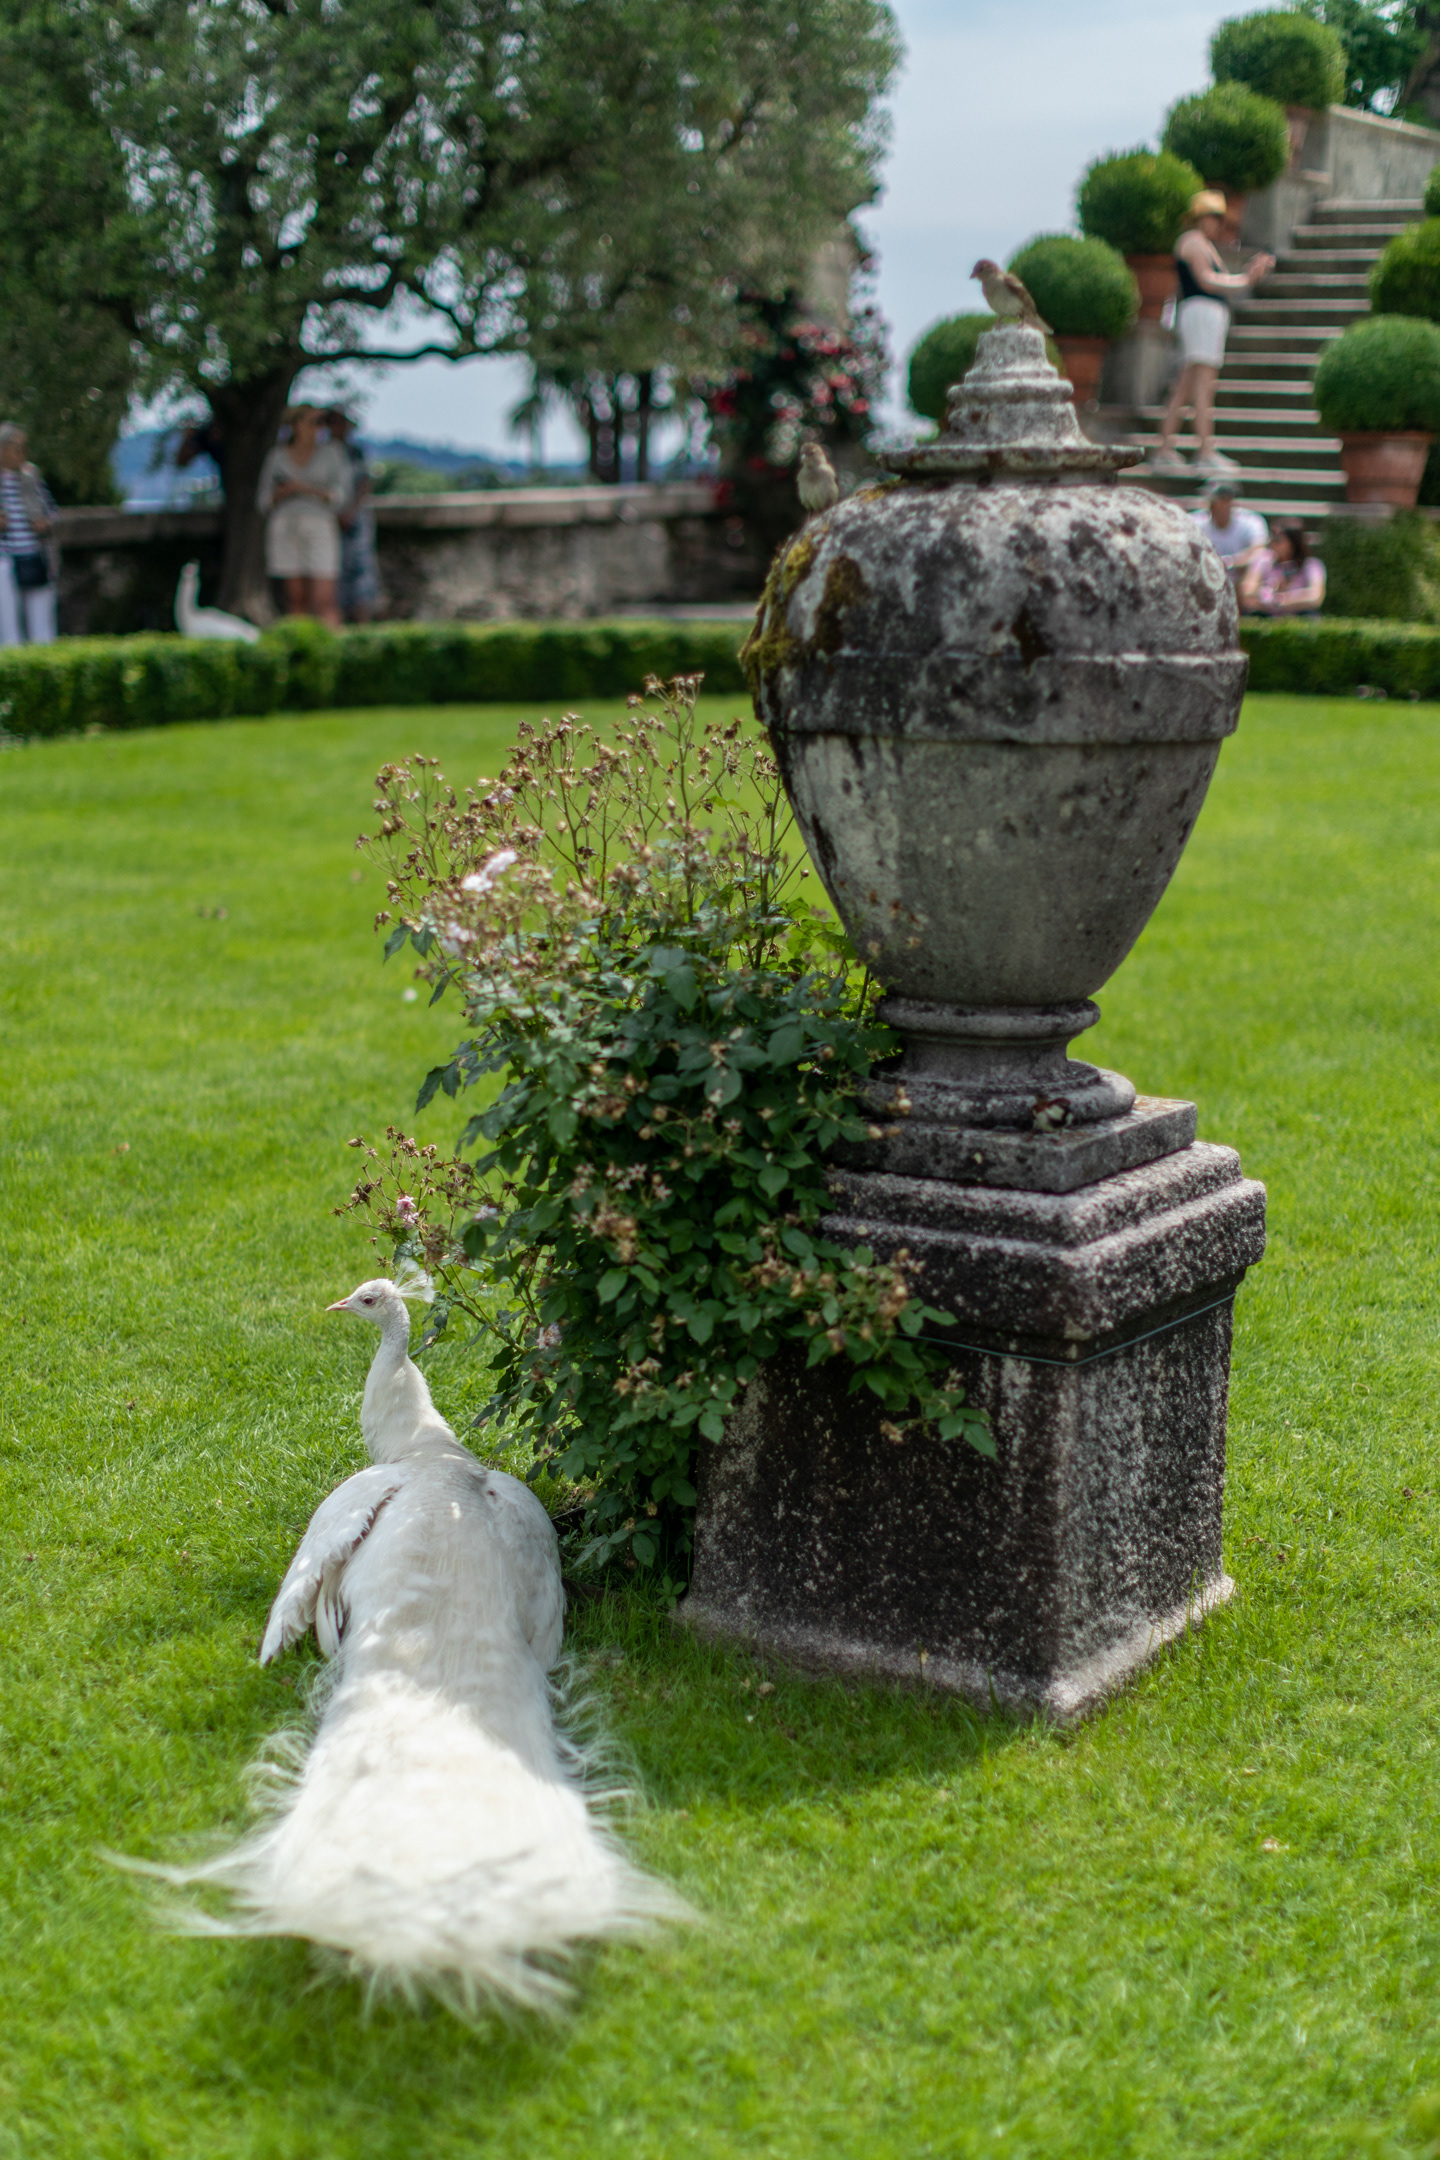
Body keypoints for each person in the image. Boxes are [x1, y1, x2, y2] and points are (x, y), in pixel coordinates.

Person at [1151, 191, 1274, 475]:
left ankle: (1164, 449)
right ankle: (1205, 451)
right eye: (1213, 216)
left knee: (1185, 386)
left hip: (1204, 316)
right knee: (1203, 385)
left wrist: (1246, 277)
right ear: (1200, 217)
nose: (1217, 222)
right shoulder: (1192, 241)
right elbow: (1206, 280)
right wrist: (1245, 279)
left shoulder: (1203, 244)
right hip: (1200, 315)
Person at [256, 404, 349, 628]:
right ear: (296, 425)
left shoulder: (332, 452)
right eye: (314, 421)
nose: (320, 427)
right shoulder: (277, 456)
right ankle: (301, 652)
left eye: (322, 422)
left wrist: (304, 489)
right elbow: (263, 500)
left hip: (319, 525)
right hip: (286, 525)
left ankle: (332, 653)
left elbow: (342, 496)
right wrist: (282, 493)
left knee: (324, 599)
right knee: (296, 599)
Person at [0, 423, 59, 646]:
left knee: (42, 624)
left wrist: (45, 522)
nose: (23, 453)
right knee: (7, 625)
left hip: (34, 554)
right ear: (2, 449)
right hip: (4, 558)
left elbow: (52, 511)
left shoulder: (31, 476)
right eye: (18, 448)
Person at [327, 408, 381, 623]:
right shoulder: (324, 451)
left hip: (355, 520)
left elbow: (364, 484)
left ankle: (362, 623)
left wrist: (351, 511)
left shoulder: (354, 451)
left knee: (361, 574)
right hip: (330, 519)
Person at [1239, 519, 1326, 616]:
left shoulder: (1311, 565)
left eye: (1277, 539)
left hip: (1298, 615)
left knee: (1310, 615)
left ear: (1293, 542)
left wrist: (1281, 600)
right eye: (1270, 537)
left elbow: (1315, 597)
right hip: (1267, 615)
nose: (1271, 543)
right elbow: (1247, 592)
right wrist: (1269, 588)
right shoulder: (1263, 560)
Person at [1192, 480, 1268, 583]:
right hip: (1206, 577)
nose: (1212, 506)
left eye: (1218, 501)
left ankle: (1248, 597)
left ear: (1229, 502)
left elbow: (1258, 549)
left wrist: (1230, 562)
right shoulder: (1196, 521)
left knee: (1261, 559)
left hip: (1240, 579)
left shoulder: (1251, 521)